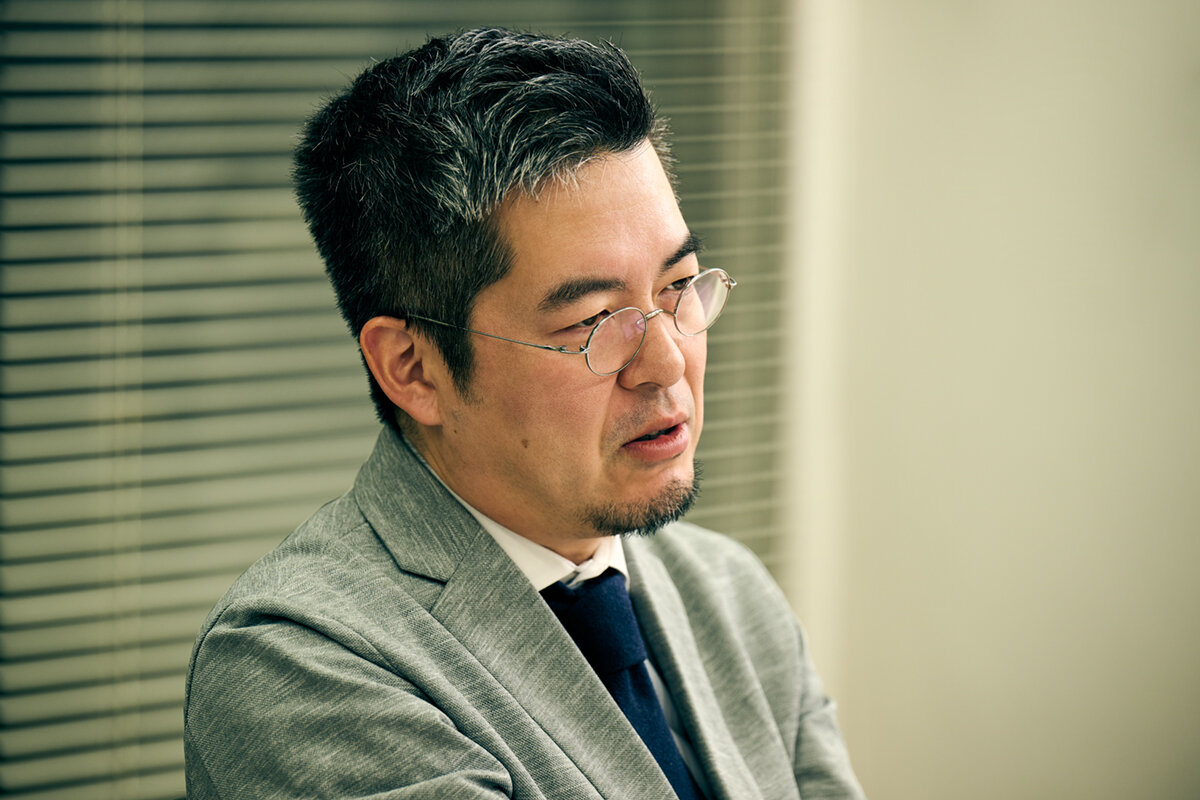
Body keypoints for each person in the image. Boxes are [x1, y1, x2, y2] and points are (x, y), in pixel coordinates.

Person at [184, 27, 865, 799]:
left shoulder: (728, 593)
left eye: (678, 286)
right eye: (594, 321)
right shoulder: (302, 661)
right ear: (412, 367)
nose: (669, 363)